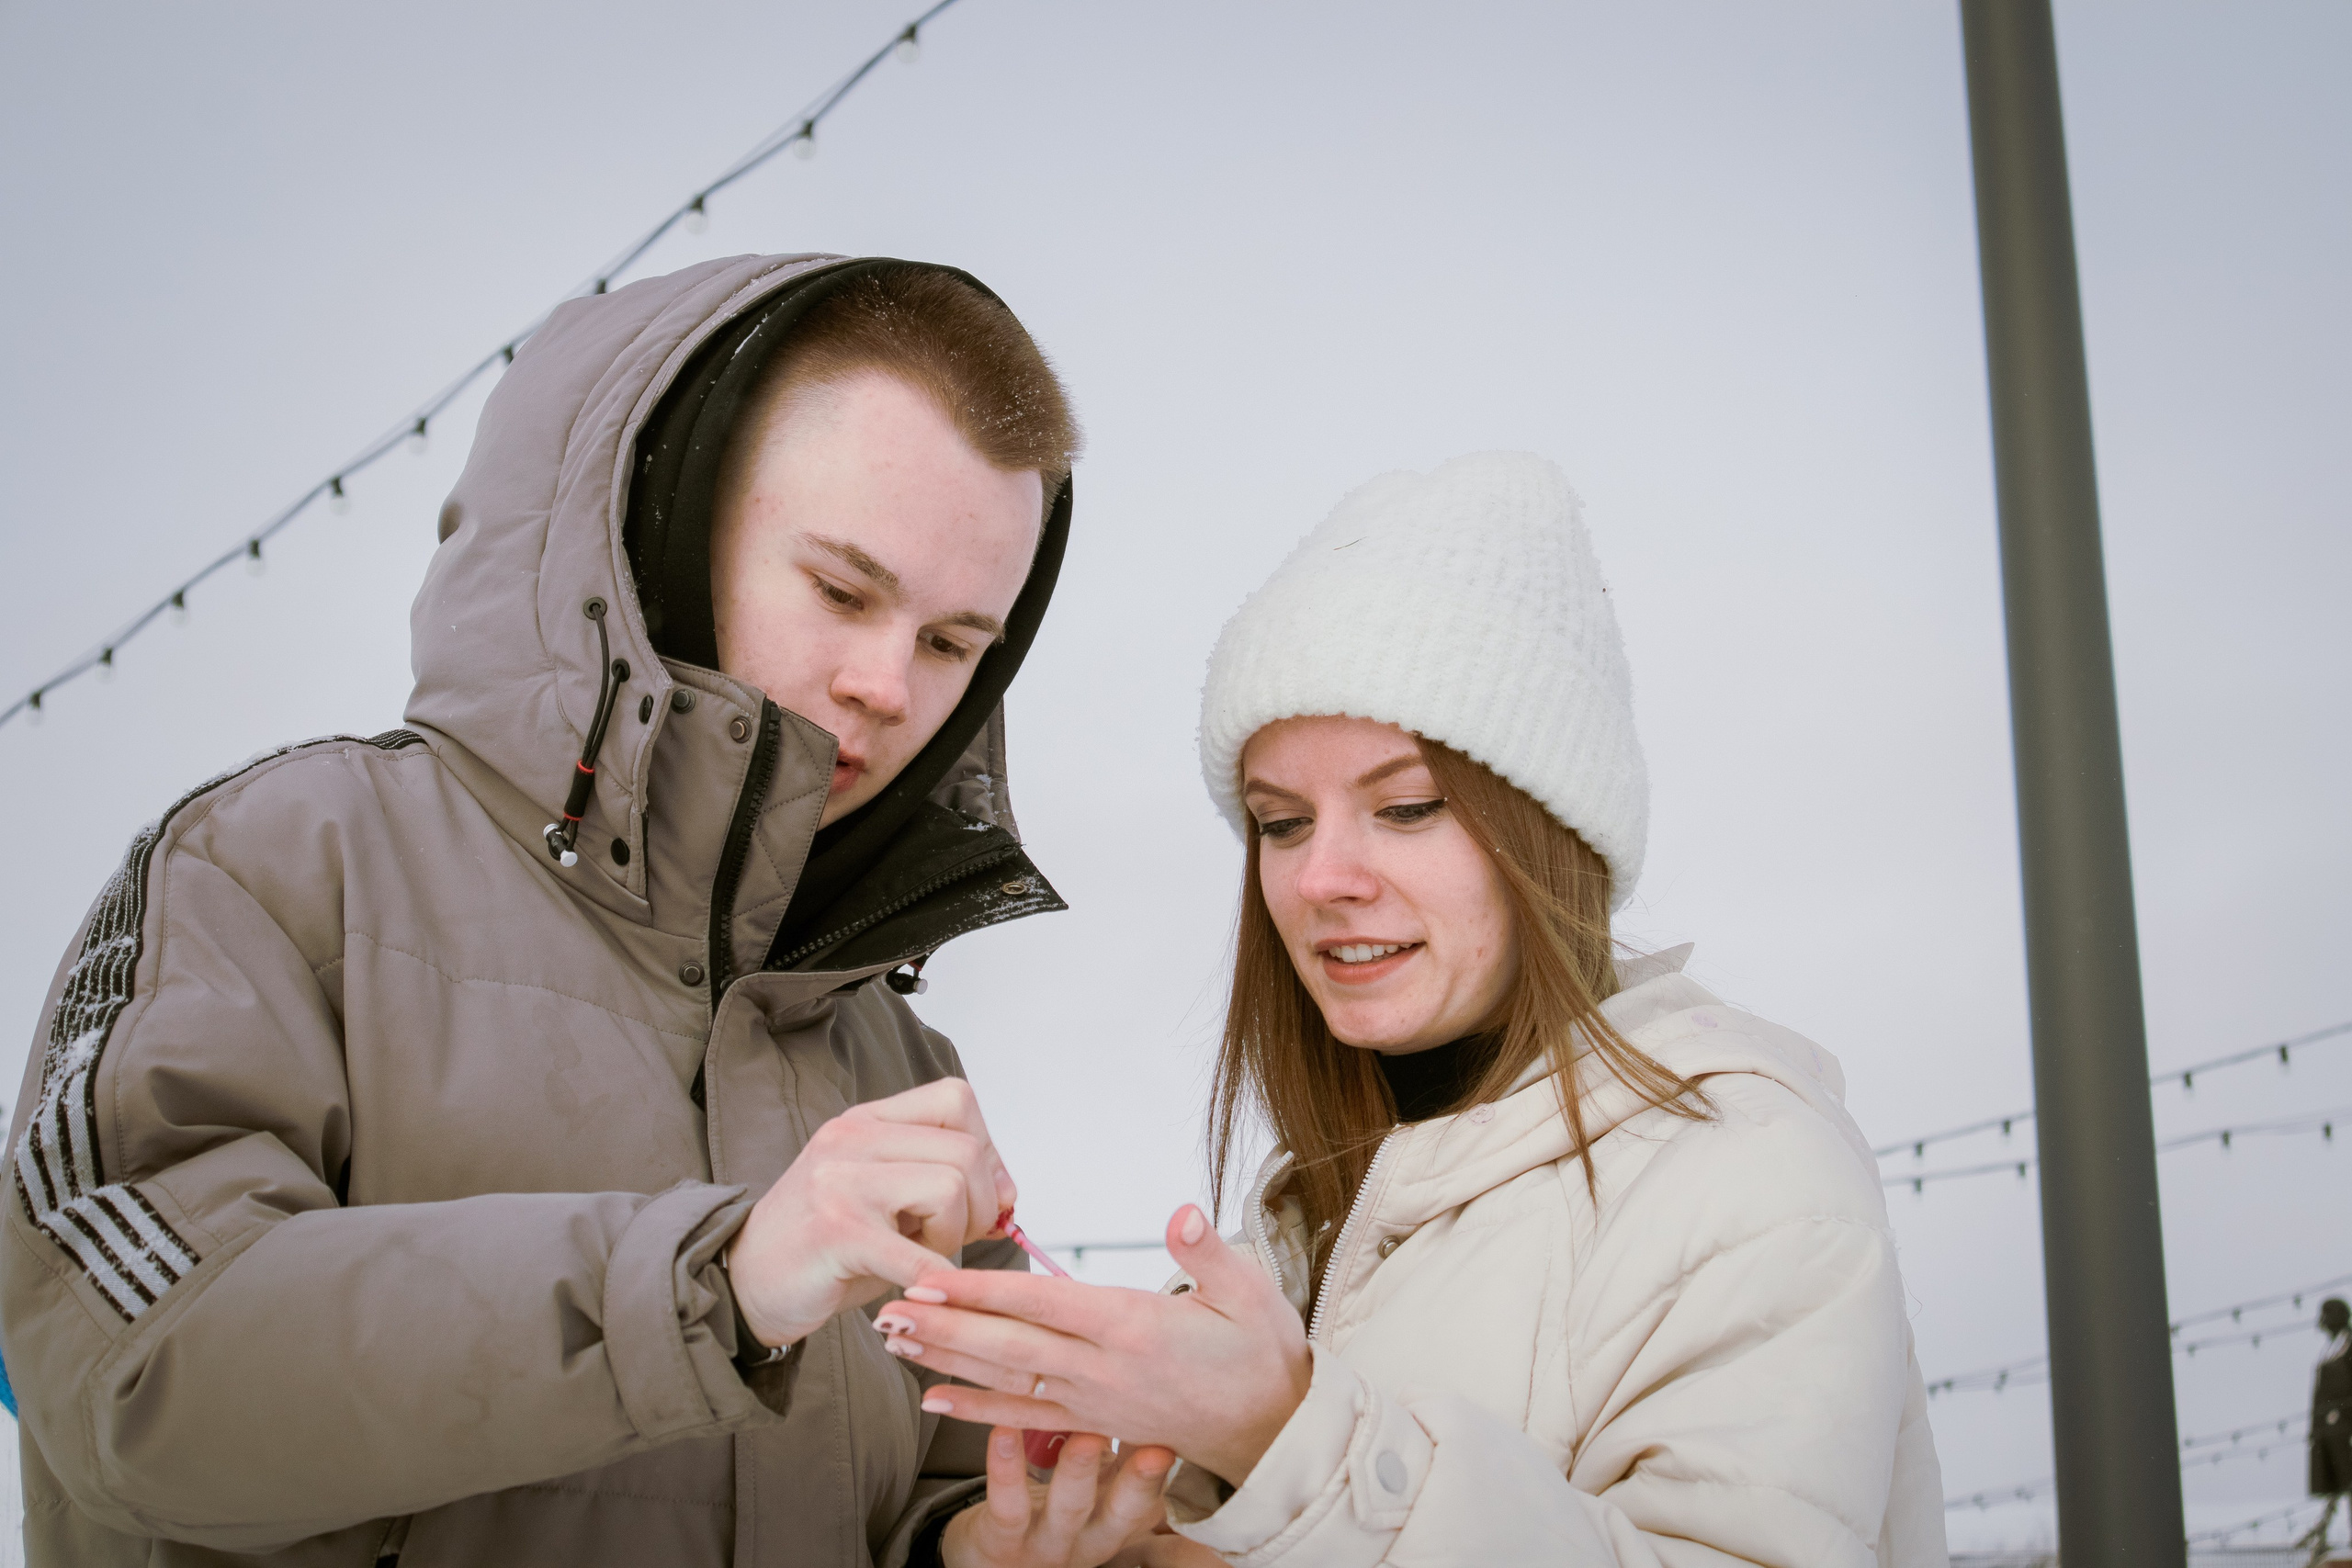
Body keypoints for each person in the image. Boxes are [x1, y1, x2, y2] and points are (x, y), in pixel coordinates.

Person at [2, 254, 1169, 1568]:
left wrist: (977, 1542)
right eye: (843, 590)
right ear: (656, 527)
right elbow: (134, 1375)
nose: (890, 684)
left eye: (955, 641)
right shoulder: (269, 866)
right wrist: (712, 1280)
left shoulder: (890, 1055)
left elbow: (923, 1471)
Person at [876, 452, 1951, 1565]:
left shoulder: (1745, 1175)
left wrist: (1292, 1441)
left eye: (1406, 807)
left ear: (1551, 836)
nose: (1320, 878)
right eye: (1281, 824)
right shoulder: (1309, 1219)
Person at [2313, 1299, 2352, 1498]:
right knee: (2340, 1485)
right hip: (2329, 1431)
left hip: (2345, 1427)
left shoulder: (2349, 1345)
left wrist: (2341, 1412)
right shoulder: (2328, 1349)